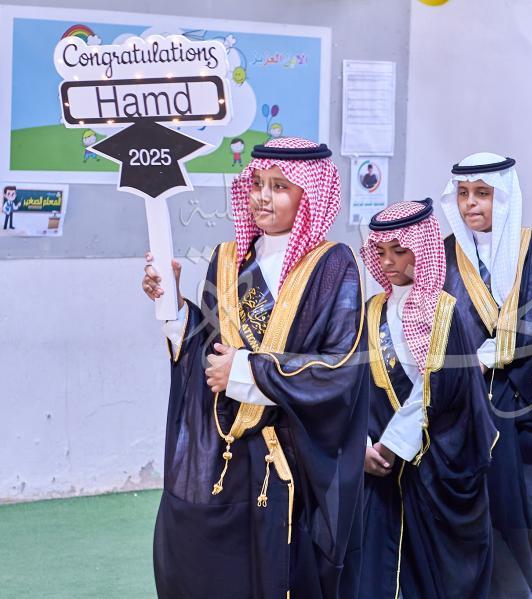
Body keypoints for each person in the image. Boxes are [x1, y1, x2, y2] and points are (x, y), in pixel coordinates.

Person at [142, 137, 368, 598]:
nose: (263, 196)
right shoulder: (228, 260)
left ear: (309, 196)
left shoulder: (332, 265)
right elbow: (206, 346)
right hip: (228, 451)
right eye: (257, 184)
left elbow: (340, 364)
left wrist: (246, 373)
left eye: (279, 186)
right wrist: (172, 304)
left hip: (293, 456)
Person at [441, 152, 532, 598]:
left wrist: (490, 357)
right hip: (463, 395)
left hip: (521, 393)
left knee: (526, 496)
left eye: (482, 193)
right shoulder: (447, 252)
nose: (470, 204)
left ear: (502, 197)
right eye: (463, 194)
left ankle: (527, 581)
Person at [358, 199, 497, 599]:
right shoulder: (371, 311)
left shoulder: (444, 312)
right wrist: (363, 445)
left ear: (422, 250)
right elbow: (355, 386)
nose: (388, 262)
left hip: (434, 462)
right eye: (381, 253)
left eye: (399, 251)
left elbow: (440, 388)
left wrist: (393, 443)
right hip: (380, 463)